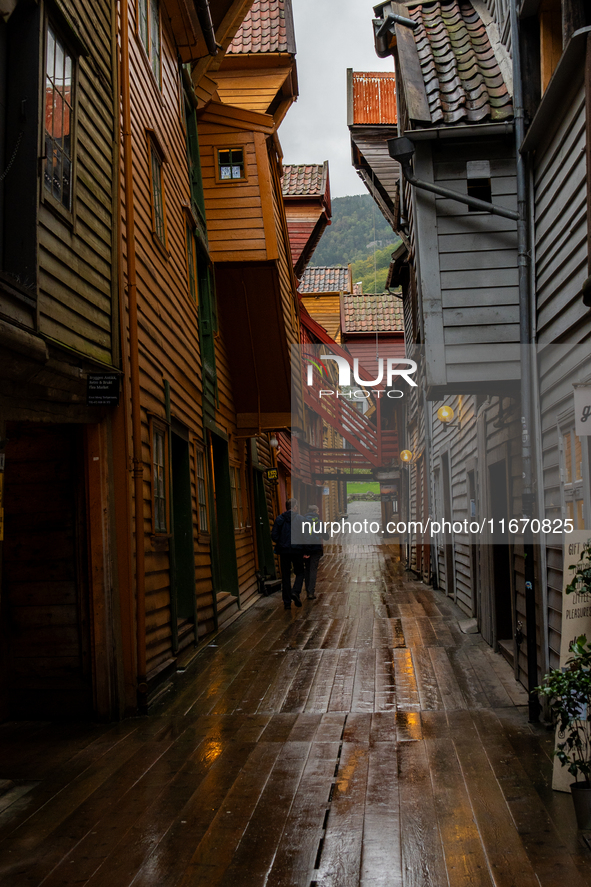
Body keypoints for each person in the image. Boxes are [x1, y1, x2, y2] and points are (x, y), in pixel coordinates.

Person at [271, 498, 305, 610]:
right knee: (300, 572)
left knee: (285, 576)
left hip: (284, 551)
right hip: (297, 550)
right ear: (295, 507)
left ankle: (287, 602)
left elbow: (274, 536)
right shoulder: (300, 519)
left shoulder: (279, 519)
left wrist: (282, 542)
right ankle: (295, 592)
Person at [302, 504, 328, 599]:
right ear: (314, 512)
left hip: (305, 549)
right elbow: (326, 536)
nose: (319, 513)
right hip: (316, 549)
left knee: (307, 569)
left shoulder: (302, 522)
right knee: (313, 570)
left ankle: (307, 590)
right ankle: (311, 592)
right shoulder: (319, 523)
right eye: (317, 511)